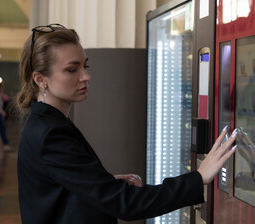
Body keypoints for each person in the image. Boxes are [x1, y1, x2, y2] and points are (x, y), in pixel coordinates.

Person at [16, 24, 238, 224]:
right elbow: (126, 204)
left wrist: (101, 182)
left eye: (85, 66)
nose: (86, 76)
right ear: (40, 79)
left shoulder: (46, 124)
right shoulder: (51, 133)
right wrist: (199, 177)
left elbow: (56, 189)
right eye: (72, 69)